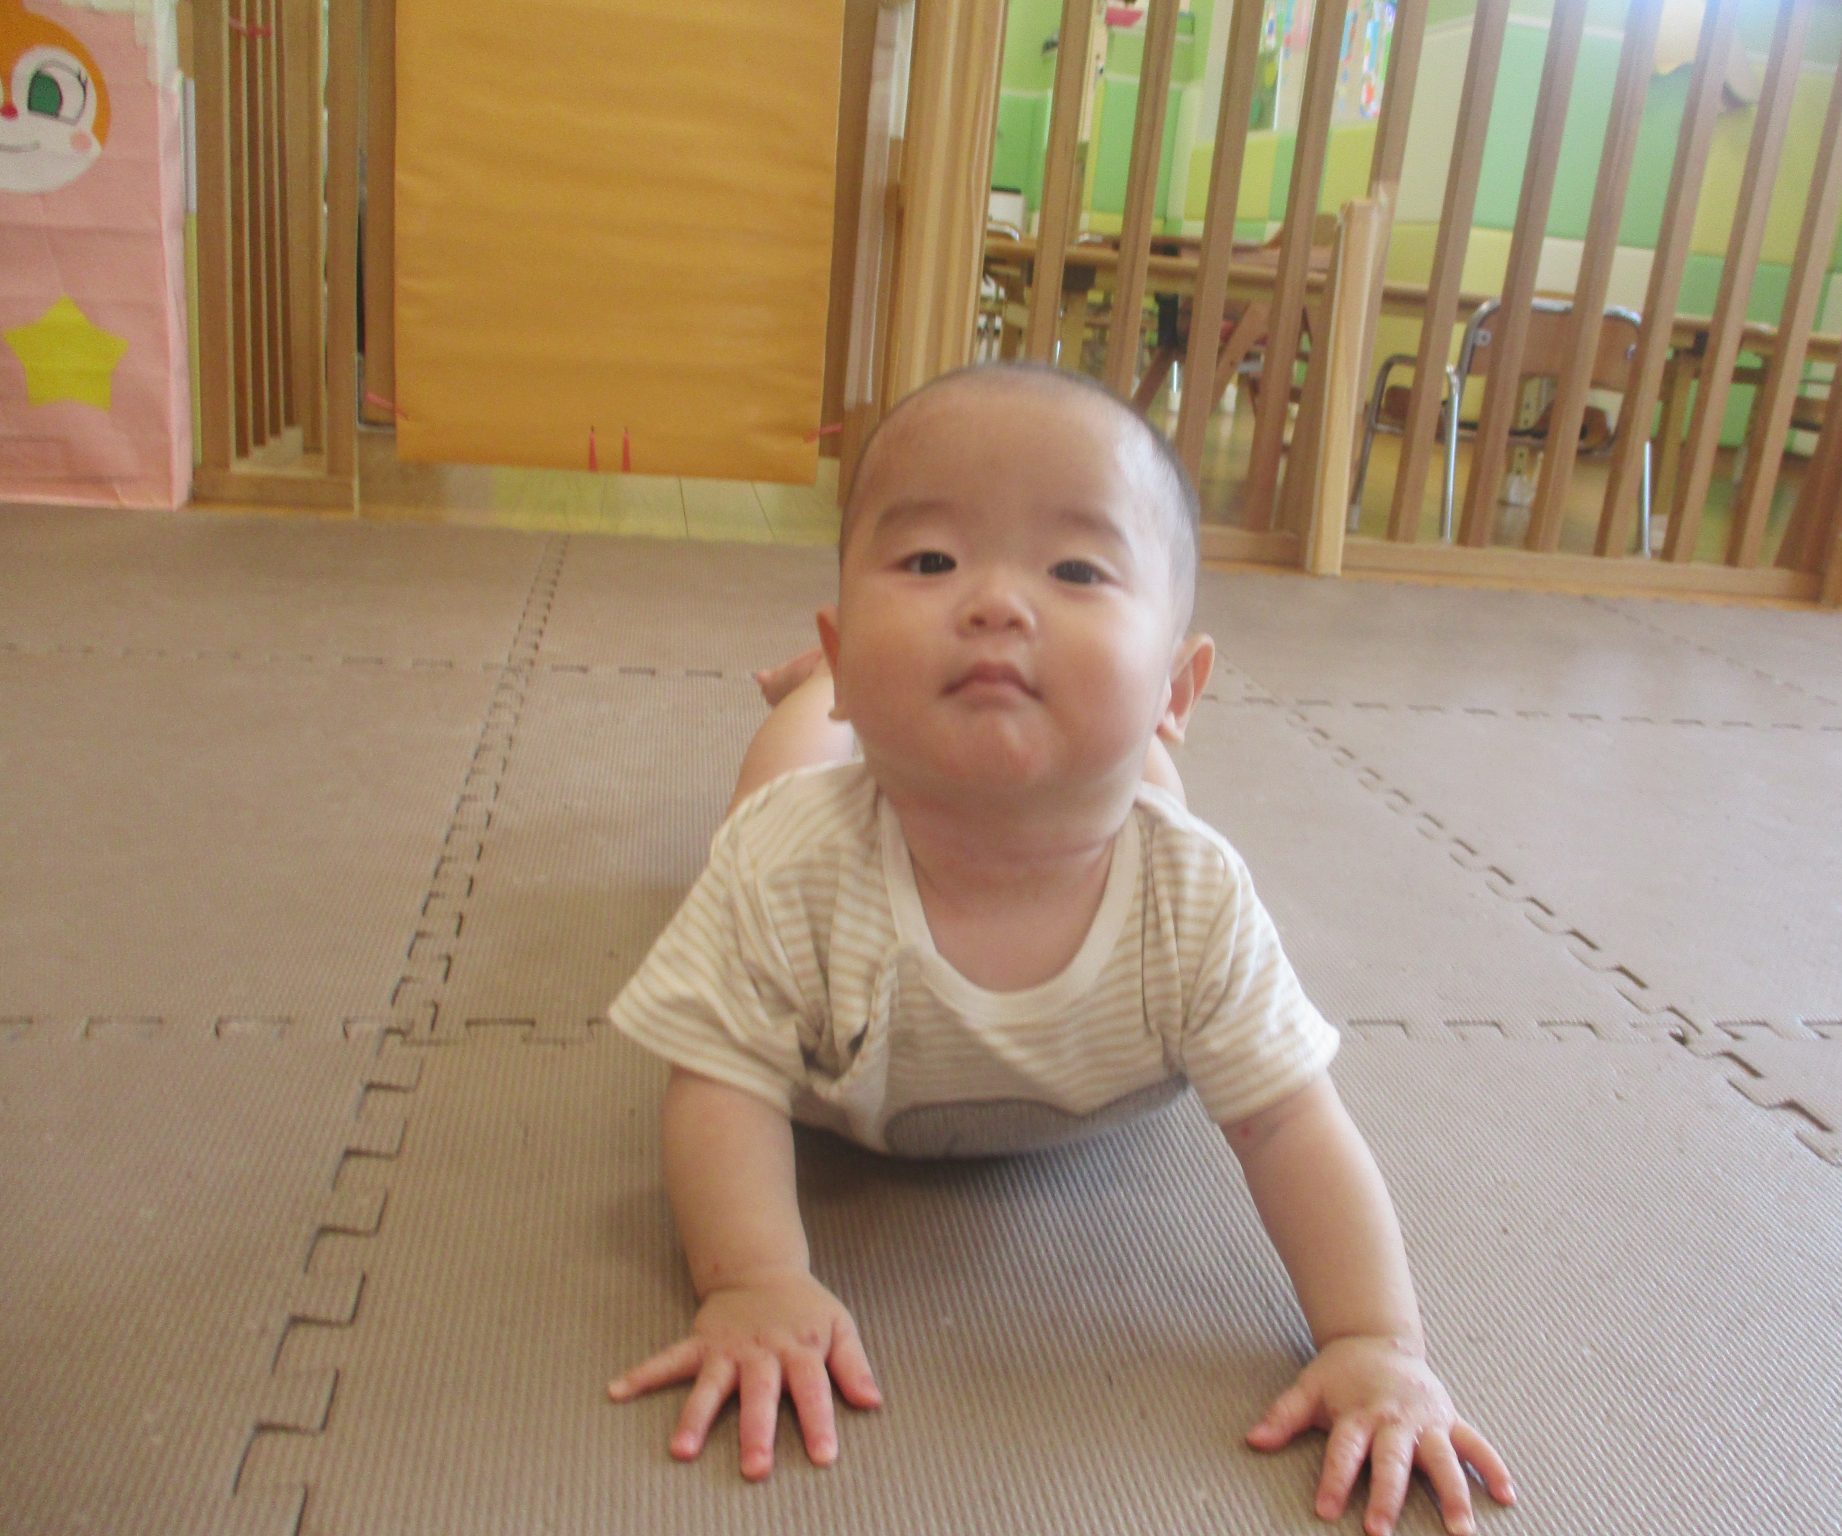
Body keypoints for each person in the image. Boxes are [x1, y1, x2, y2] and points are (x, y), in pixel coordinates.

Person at [604, 362, 1516, 1536]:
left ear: (1185, 682)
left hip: (1126, 802)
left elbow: (1291, 1121)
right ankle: (814, 690)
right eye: (927, 563)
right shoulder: (786, 867)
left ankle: (1085, 729)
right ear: (847, 619)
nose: (992, 601)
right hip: (838, 814)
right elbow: (716, 1081)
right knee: (787, 765)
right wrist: (754, 1278)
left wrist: (1375, 1341)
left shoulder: (1192, 900)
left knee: (1137, 784)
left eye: (1075, 570)